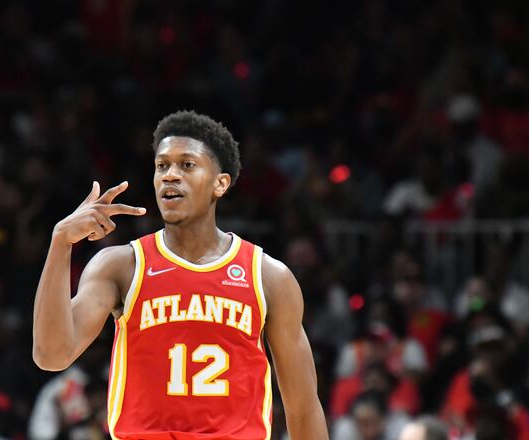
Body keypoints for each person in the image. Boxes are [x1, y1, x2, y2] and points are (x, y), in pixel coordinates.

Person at [32, 111, 328, 439]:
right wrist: (61, 243)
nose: (170, 176)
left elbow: (303, 407)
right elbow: (51, 355)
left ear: (221, 183)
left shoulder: (268, 277)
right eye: (162, 166)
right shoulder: (121, 266)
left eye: (187, 165)